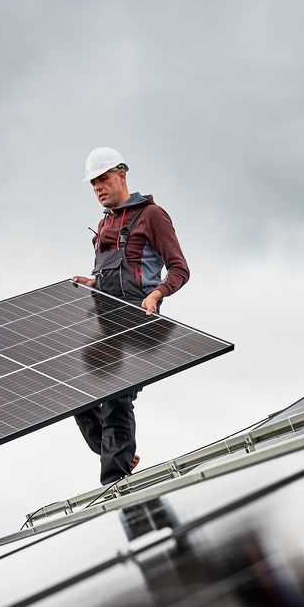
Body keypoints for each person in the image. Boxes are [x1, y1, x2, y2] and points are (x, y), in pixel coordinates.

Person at [69, 147, 191, 485]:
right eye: (93, 183)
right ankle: (117, 452)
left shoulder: (152, 216)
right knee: (75, 394)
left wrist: (157, 293)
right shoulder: (104, 223)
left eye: (103, 179)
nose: (98, 188)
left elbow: (180, 268)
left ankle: (114, 481)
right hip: (104, 319)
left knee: (115, 399)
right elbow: (113, 274)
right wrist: (93, 282)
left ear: (121, 175)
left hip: (137, 319)